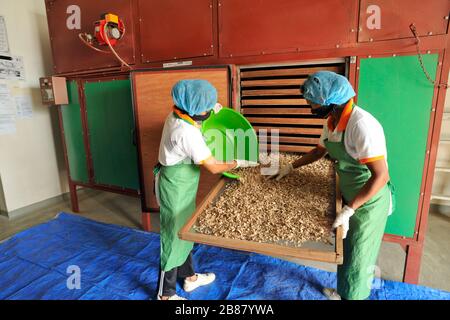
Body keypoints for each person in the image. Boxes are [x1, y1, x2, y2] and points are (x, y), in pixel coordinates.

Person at [272, 71, 394, 300]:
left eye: (313, 102)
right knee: (345, 250)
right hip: (349, 192)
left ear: (331, 101)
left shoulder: (362, 125)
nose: (310, 106)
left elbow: (381, 176)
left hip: (368, 201)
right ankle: (343, 291)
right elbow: (319, 151)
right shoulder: (332, 121)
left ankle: (353, 296)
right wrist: (291, 166)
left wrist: (349, 210)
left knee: (360, 255)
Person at [155, 79, 258, 300]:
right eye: (205, 107)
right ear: (193, 109)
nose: (208, 110)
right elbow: (212, 166)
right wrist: (235, 163)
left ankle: (190, 278)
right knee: (172, 238)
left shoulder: (177, 114)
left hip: (183, 184)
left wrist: (214, 109)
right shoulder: (186, 132)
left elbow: (199, 117)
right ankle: (165, 294)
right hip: (174, 187)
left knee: (185, 231)